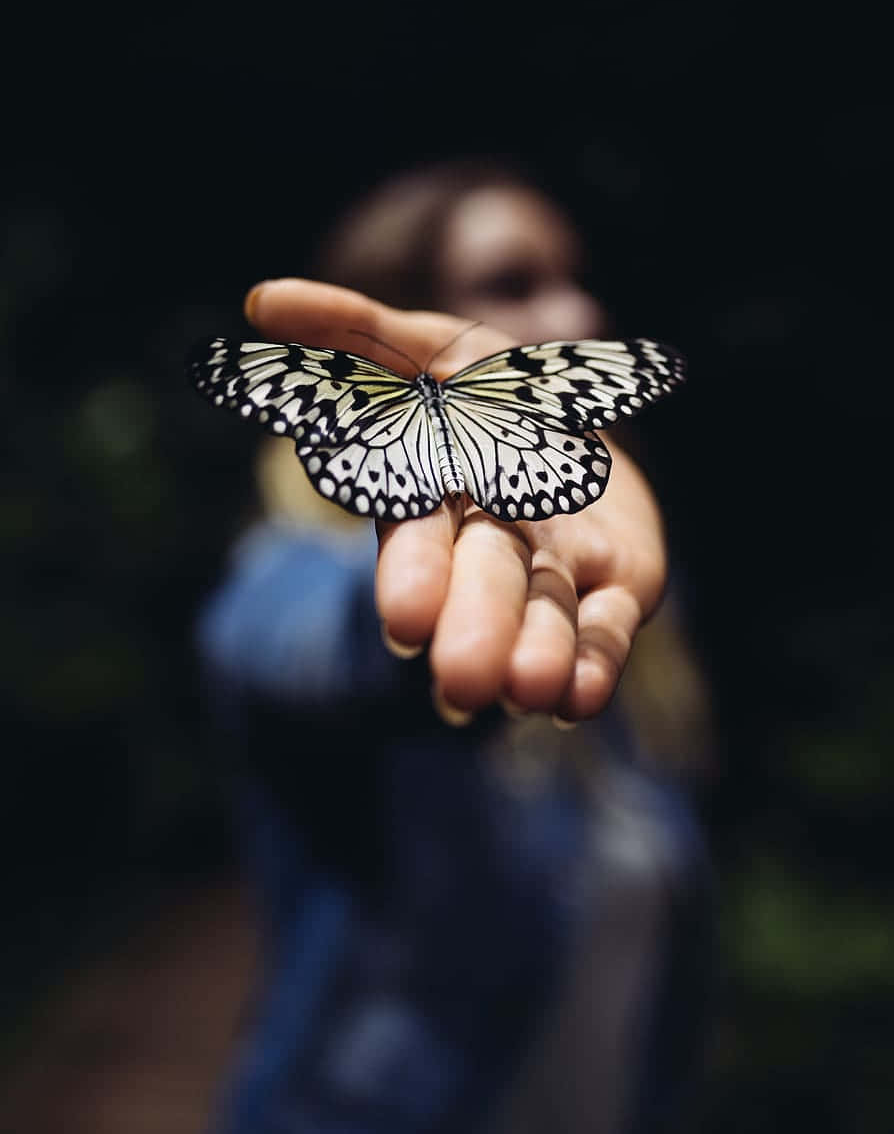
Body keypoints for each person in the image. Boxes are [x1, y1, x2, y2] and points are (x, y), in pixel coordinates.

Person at [196, 161, 712, 1133]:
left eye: (571, 273)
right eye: (513, 283)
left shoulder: (617, 600)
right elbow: (315, 642)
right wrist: (412, 626)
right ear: (391, 320)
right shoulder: (287, 569)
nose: (577, 304)